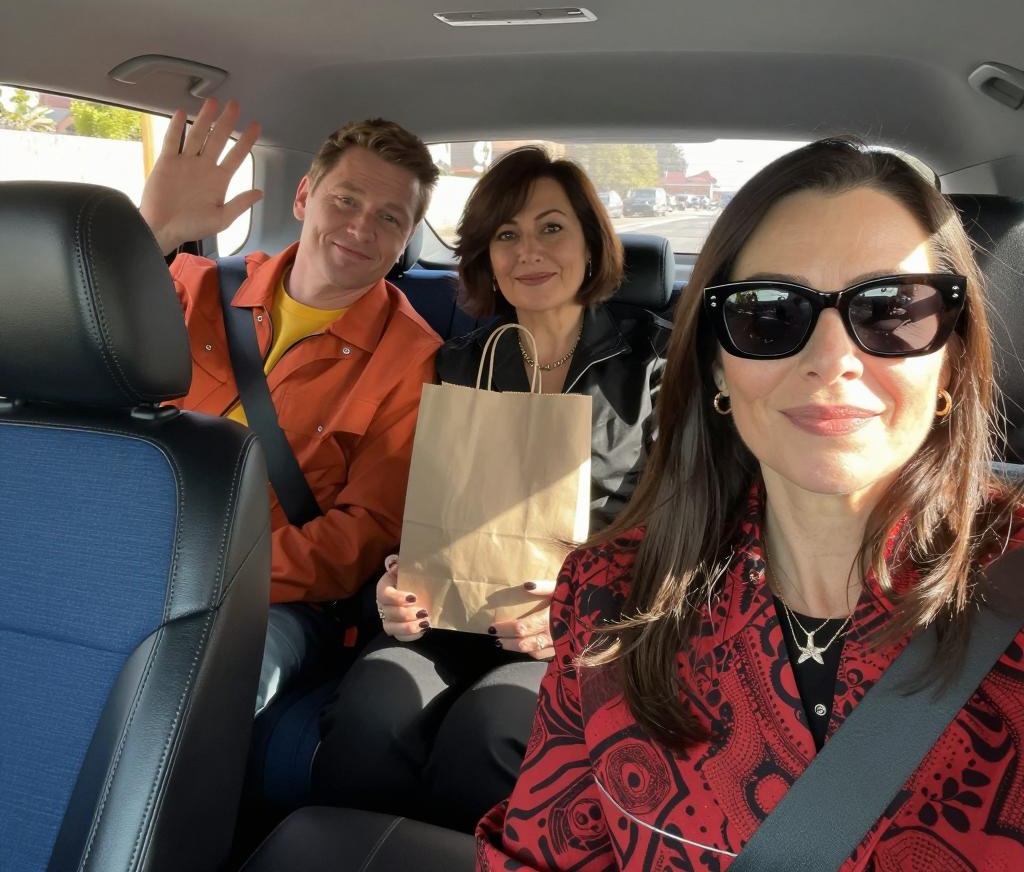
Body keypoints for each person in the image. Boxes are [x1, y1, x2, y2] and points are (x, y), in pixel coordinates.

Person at [476, 137, 1024, 870]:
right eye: (769, 313)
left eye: (892, 309)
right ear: (717, 366)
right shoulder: (607, 597)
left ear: (952, 356)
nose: (832, 359)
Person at [315, 146, 670, 829]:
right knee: (371, 712)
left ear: (591, 245)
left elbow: (689, 528)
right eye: (506, 234)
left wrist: (585, 607)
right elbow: (416, 509)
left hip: (588, 627)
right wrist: (395, 583)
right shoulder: (457, 362)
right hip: (452, 613)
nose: (528, 251)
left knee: (490, 729)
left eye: (551, 228)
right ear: (486, 257)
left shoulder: (658, 362)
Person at [139, 98, 442, 710]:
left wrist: (213, 573)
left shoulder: (409, 356)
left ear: (406, 238)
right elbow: (71, 353)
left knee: (191, 693)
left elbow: (365, 531)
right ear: (304, 196)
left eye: (389, 217)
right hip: (122, 542)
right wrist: (153, 233)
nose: (361, 228)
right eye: (345, 200)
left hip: (269, 597)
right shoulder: (191, 285)